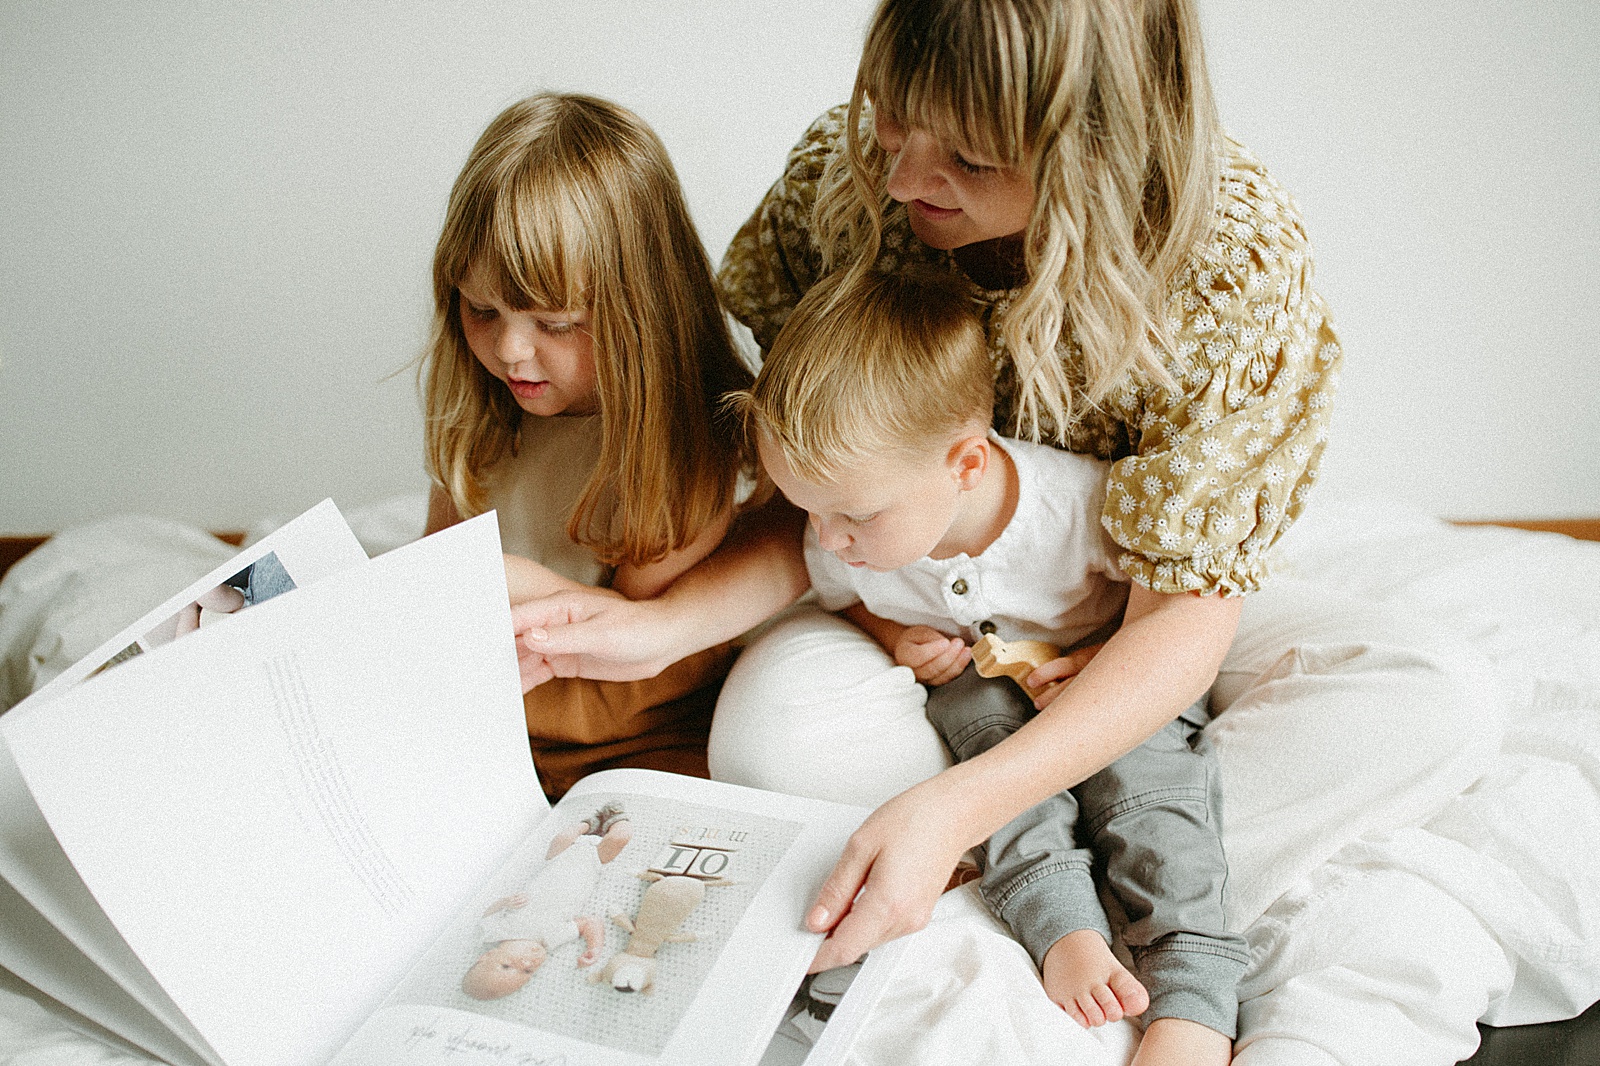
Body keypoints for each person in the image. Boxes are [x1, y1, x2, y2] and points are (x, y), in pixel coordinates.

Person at [515, 4, 1478, 1061]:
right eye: (890, 126)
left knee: (1431, 698)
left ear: (1103, 146)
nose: (901, 181)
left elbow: (1181, 611)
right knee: (767, 740)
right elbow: (814, 514)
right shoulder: (842, 191)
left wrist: (957, 803)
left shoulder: (1227, 267)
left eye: (968, 156)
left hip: (1118, 617)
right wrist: (651, 630)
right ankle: (1032, 869)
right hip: (906, 611)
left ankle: (1031, 891)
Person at [728, 267, 1246, 1054]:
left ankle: (1192, 999)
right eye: (810, 513)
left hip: (1106, 686)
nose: (828, 540)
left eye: (853, 517)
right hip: (986, 693)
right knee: (992, 783)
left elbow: (1175, 604)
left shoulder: (1079, 507)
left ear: (965, 466)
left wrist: (1104, 653)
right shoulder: (851, 536)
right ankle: (1061, 924)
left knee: (1152, 804)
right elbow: (839, 590)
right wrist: (889, 633)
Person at [418, 93, 758, 798]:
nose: (512, 351)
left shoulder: (688, 443)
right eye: (483, 310)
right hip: (490, 723)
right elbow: (434, 579)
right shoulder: (483, 413)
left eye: (555, 322)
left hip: (638, 735)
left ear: (642, 312)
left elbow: (625, 663)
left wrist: (493, 587)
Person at [461, 804, 632, 1000]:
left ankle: (589, 824)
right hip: (591, 864)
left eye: (507, 966)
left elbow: (487, 913)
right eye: (527, 973)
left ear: (487, 956)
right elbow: (590, 923)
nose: (527, 964)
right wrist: (594, 947)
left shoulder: (496, 932)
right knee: (620, 838)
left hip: (555, 859)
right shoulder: (550, 938)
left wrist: (505, 902)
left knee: (563, 838)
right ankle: (615, 817)